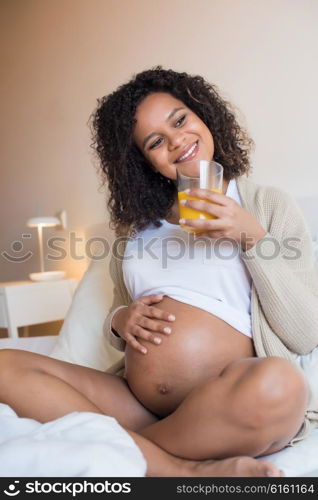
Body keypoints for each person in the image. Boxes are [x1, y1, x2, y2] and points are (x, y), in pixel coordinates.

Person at [1, 67, 317, 478]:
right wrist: (120, 321)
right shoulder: (134, 229)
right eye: (155, 142)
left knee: (281, 385)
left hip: (229, 399)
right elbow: (117, 317)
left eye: (180, 120)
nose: (176, 141)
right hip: (136, 402)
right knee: (6, 363)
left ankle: (130, 447)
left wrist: (252, 237)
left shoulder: (266, 206)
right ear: (145, 162)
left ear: (204, 115)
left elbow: (305, 331)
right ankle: (175, 467)